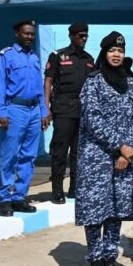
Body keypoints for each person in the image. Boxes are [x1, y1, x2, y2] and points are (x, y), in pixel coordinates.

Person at [76, 31, 133, 266]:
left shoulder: (131, 82)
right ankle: (96, 263)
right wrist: (120, 146)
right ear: (104, 53)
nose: (117, 55)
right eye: (112, 51)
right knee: (96, 210)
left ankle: (110, 260)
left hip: (123, 158)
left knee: (117, 209)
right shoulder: (93, 82)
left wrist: (127, 151)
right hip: (96, 157)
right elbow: (92, 119)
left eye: (120, 51)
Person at [0, 19, 49, 217]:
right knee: (10, 155)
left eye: (32, 34)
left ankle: (19, 197)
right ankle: (4, 198)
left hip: (34, 111)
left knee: (29, 156)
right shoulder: (6, 55)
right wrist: (1, 111)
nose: (30, 37)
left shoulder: (34, 57)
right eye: (26, 33)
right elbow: (0, 85)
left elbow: (39, 88)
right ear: (17, 34)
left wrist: (44, 111)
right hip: (15, 110)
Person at [44, 22, 94, 204]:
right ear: (71, 36)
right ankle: (57, 190)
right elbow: (48, 81)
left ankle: (75, 188)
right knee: (60, 151)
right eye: (80, 35)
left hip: (83, 111)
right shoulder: (58, 56)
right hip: (63, 109)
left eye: (86, 35)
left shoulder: (89, 59)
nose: (84, 38)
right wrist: (45, 107)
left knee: (78, 153)